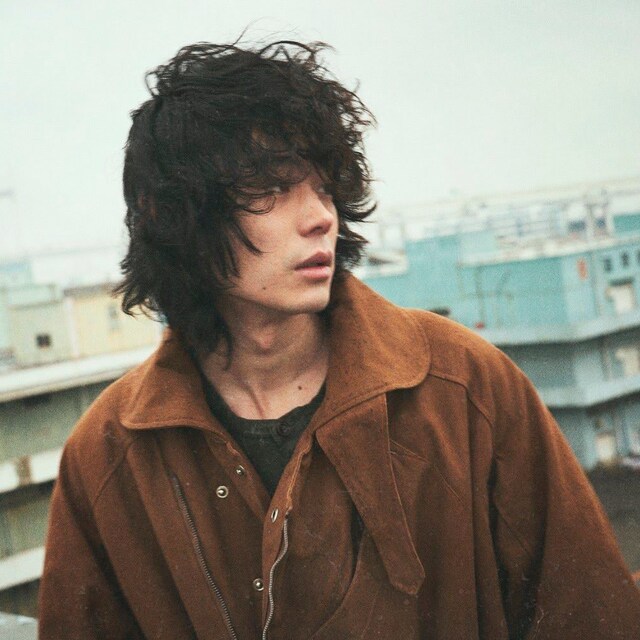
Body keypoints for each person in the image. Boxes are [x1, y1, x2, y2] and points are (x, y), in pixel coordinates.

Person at [39, 39, 640, 640]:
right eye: (273, 189)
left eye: (325, 188)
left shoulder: (464, 384)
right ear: (174, 215)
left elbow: (591, 613)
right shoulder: (108, 454)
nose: (321, 216)